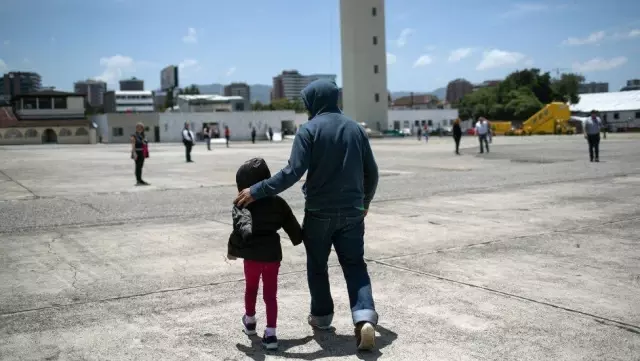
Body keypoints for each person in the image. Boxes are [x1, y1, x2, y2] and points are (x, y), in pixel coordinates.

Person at [234, 79, 379, 351]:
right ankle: (364, 318)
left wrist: (258, 190)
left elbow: (292, 173)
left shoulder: (308, 131)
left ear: (314, 101)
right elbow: (372, 173)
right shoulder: (356, 130)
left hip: (319, 213)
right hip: (352, 212)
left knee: (317, 265)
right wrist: (365, 202)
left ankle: (322, 318)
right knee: (355, 265)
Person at [227, 157, 303, 350]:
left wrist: (233, 252)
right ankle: (271, 334)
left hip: (252, 255)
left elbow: (239, 229)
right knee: (271, 295)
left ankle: (250, 321)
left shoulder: (242, 203)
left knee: (251, 289)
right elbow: (293, 228)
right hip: (272, 256)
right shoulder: (278, 203)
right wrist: (298, 238)